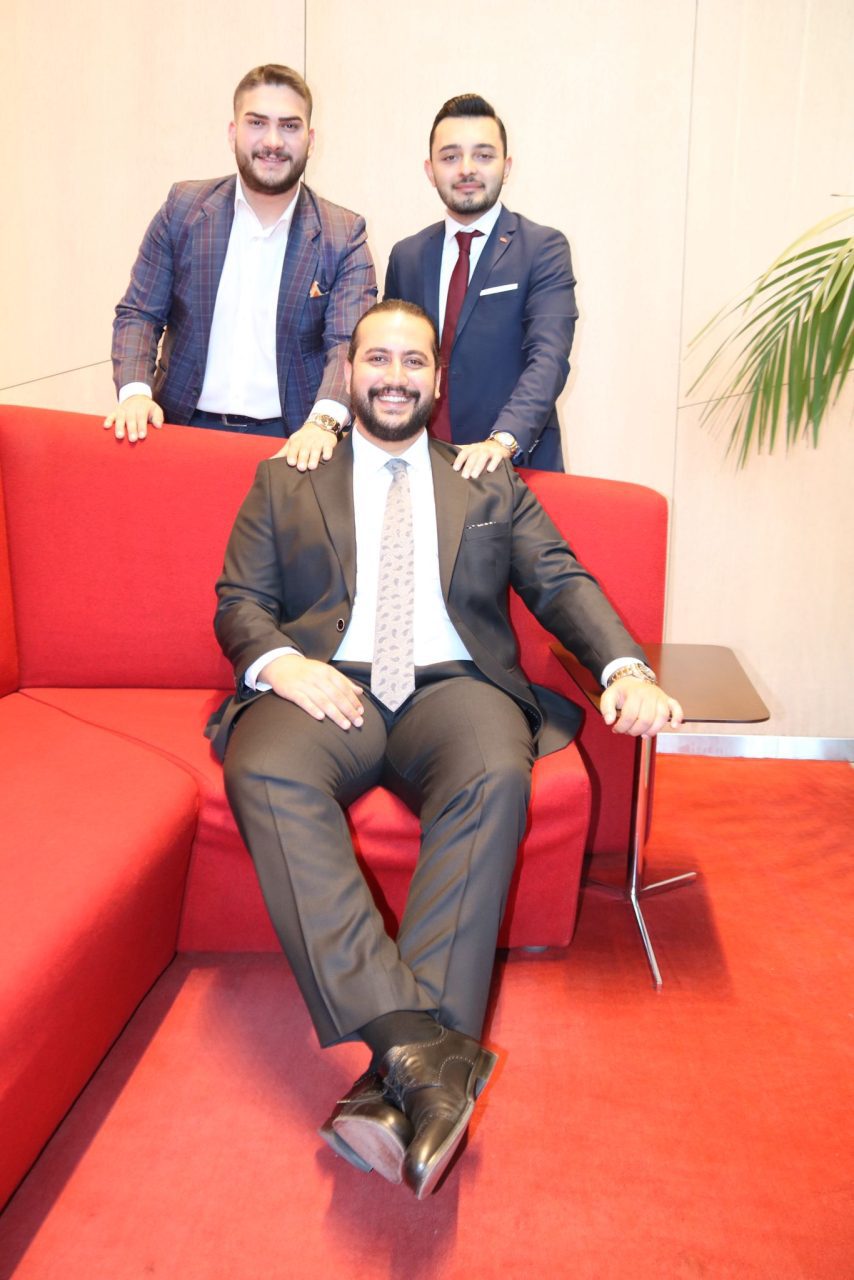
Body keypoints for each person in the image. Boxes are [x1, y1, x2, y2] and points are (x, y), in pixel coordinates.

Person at [208, 300, 681, 1199]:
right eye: (377, 359)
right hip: (327, 684)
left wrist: (623, 669)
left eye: (414, 362)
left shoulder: (486, 480)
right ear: (349, 371)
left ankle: (397, 1082)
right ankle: (420, 1053)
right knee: (261, 767)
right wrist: (282, 665)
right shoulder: (286, 478)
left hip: (453, 687)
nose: (395, 377)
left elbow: (559, 581)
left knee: (497, 769)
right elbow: (239, 601)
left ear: (436, 378)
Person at [105, 64, 377, 470]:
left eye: (289, 126)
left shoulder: (343, 234)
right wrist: (135, 394)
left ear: (310, 140)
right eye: (257, 123)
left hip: (295, 443)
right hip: (181, 430)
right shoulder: (183, 209)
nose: (273, 141)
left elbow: (348, 346)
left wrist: (322, 424)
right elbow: (140, 313)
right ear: (233, 132)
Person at [384, 93, 578, 474]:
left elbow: (549, 357)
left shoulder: (542, 249)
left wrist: (502, 440)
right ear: (430, 170)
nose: (467, 169)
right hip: (422, 466)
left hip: (514, 466)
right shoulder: (407, 256)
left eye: (484, 156)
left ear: (506, 167)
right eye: (450, 157)